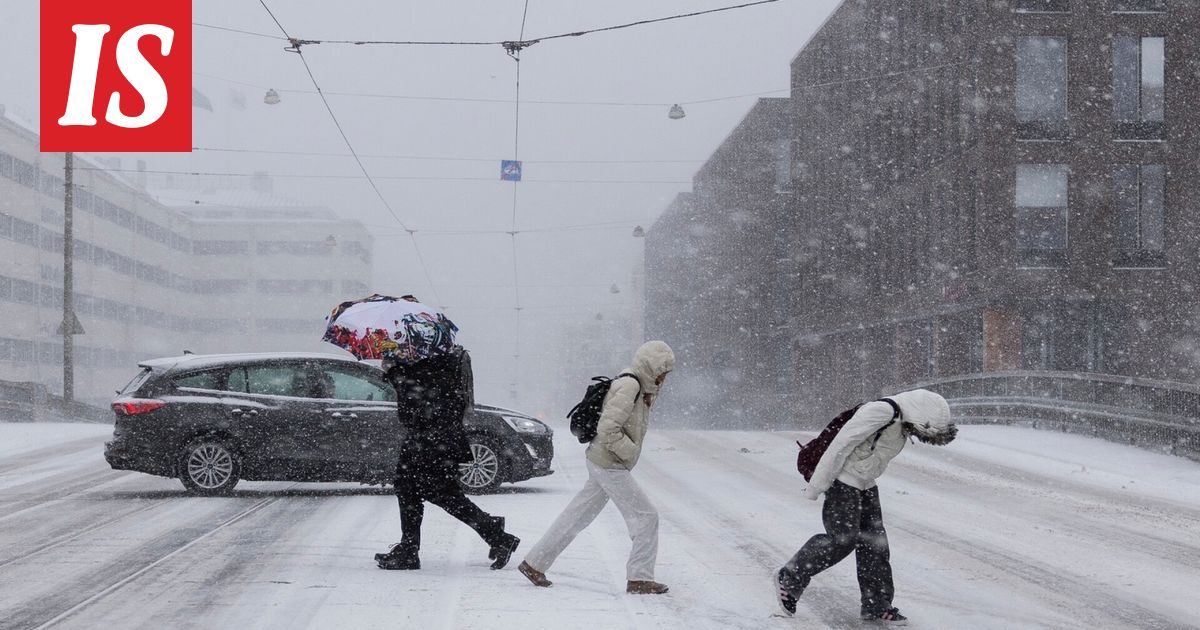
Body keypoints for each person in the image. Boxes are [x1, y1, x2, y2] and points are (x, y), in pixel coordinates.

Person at [774, 388, 957, 622]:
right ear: (922, 414)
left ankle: (876, 605)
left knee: (875, 544)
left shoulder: (903, 423)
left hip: (866, 485)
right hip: (842, 481)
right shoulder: (881, 411)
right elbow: (840, 445)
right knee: (842, 540)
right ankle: (789, 578)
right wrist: (817, 485)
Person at [518, 341, 676, 595]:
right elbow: (608, 429)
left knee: (576, 517)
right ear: (651, 367)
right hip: (609, 463)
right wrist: (630, 451)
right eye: (662, 372)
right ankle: (639, 578)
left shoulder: (641, 387)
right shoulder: (631, 385)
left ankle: (534, 563)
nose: (664, 378)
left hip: (604, 461)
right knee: (646, 517)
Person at [374, 344, 521, 570]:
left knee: (442, 495)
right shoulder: (437, 362)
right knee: (410, 490)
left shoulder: (428, 366)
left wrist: (394, 372)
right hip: (432, 442)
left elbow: (414, 410)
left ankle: (496, 535)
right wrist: (398, 372)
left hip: (433, 443)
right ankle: (409, 549)